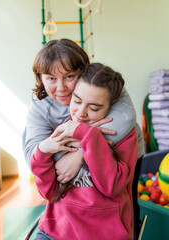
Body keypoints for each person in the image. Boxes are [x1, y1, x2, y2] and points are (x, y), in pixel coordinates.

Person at [23, 39, 144, 239]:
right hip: (68, 206)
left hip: (118, 167)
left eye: (69, 76)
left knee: (128, 205)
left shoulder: (103, 86)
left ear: (83, 71)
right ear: (40, 78)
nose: (61, 88)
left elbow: (126, 117)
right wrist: (51, 148)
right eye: (51, 79)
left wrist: (80, 144)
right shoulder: (42, 109)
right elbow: (41, 170)